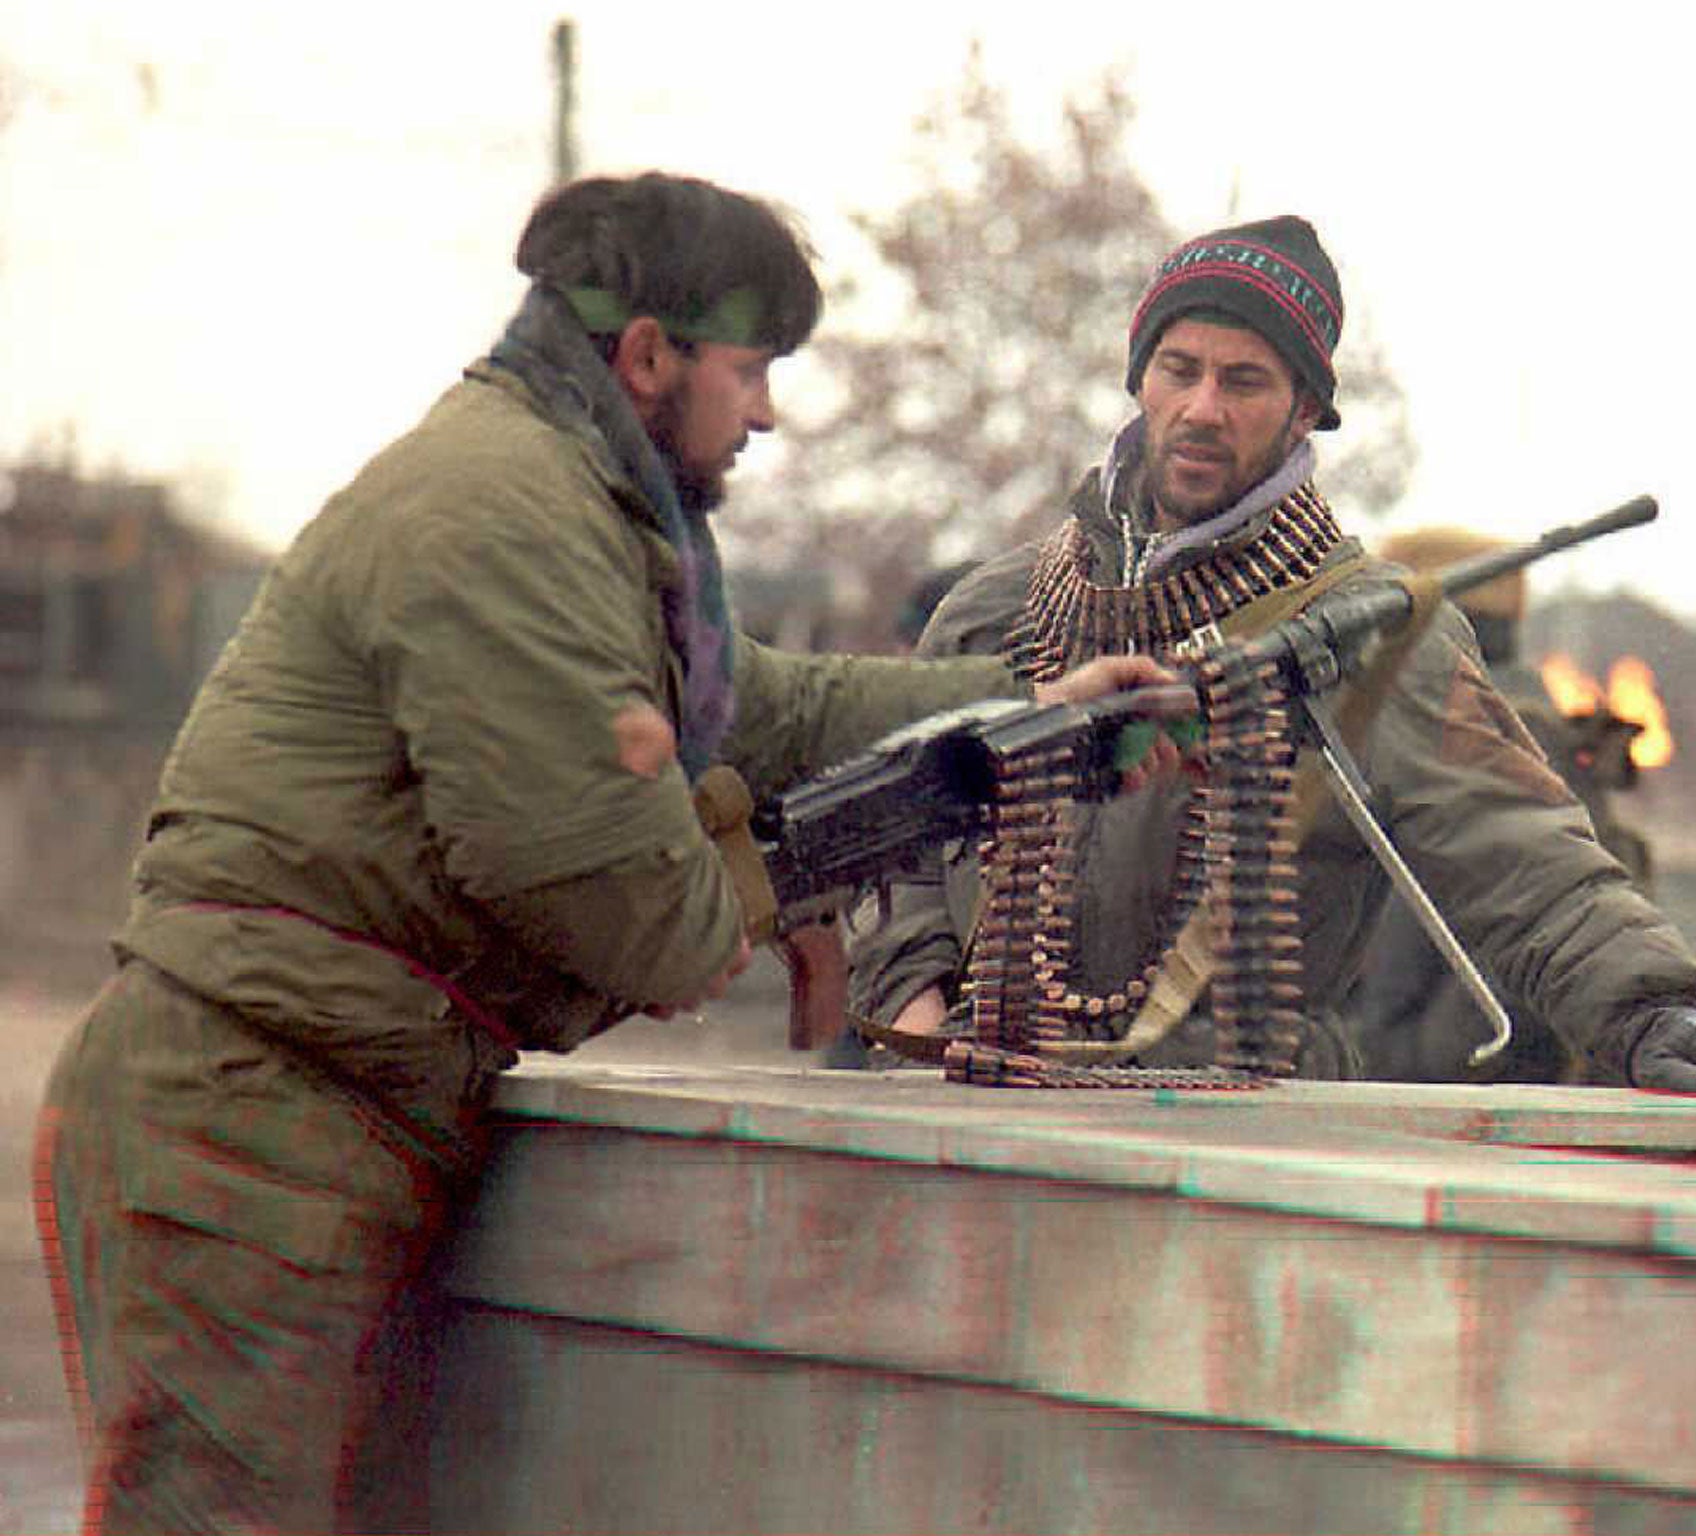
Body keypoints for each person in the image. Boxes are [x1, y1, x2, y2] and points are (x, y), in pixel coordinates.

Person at [33, 172, 1177, 1535]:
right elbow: (636, 919)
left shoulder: (589, 512)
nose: (767, 413)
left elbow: (776, 710)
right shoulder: (505, 519)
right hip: (247, 1130)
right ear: (648, 356)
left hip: (325, 1107)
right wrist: (851, 845)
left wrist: (1025, 714)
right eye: (750, 372)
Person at [848, 213, 1696, 1099]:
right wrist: (916, 1015)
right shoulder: (997, 609)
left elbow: (1513, 843)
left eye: (1244, 382)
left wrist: (1648, 1009)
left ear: (1305, 409)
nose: (1200, 408)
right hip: (973, 1092)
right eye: (1178, 368)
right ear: (1137, 377)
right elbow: (894, 846)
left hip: (1234, 1123)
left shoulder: (1368, 631)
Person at [1349, 526, 1656, 1082]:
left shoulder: (1490, 745)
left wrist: (1404, 1073)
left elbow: (1519, 986)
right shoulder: (1498, 732)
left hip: (1450, 1107)